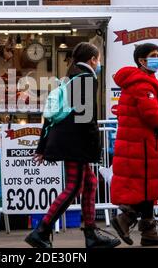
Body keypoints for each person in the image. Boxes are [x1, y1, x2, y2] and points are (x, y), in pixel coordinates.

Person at [25, 42, 121, 248]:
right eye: (98, 59)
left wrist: (42, 147)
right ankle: (41, 231)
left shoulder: (70, 79)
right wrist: (95, 148)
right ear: (92, 60)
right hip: (76, 142)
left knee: (90, 183)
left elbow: (50, 118)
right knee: (74, 186)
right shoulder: (86, 79)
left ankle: (90, 232)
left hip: (67, 140)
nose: (99, 64)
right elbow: (86, 118)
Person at [110, 43, 158, 246]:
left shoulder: (141, 81)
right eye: (153, 56)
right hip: (143, 145)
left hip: (141, 144)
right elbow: (151, 116)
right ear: (141, 61)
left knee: (148, 187)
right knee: (146, 187)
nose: (157, 59)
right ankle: (126, 219)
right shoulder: (142, 84)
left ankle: (147, 231)